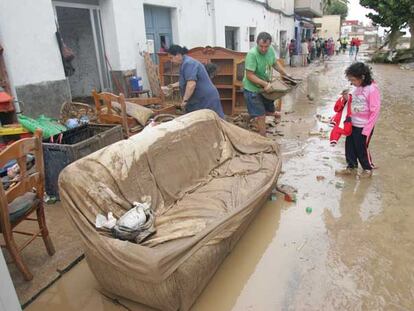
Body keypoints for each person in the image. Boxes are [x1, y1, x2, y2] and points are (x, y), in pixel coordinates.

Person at [336, 62, 381, 178]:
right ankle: (351, 167)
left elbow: (375, 111)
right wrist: (347, 98)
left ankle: (367, 169)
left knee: (361, 148)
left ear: (362, 77)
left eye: (353, 79)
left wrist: (367, 129)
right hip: (353, 124)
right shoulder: (357, 87)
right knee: (349, 146)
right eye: (350, 79)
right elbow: (355, 103)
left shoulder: (372, 89)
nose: (351, 82)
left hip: (364, 126)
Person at [243, 31, 289, 136]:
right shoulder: (252, 54)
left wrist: (284, 73)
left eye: (266, 46)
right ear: (256, 43)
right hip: (252, 89)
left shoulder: (271, 50)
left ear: (270, 45)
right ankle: (263, 137)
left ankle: (248, 117)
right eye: (261, 46)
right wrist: (264, 84)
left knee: (268, 109)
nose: (263, 49)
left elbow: (274, 63)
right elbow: (249, 75)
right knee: (261, 115)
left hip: (265, 87)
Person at [166, 45, 224, 118]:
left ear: (178, 55)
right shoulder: (184, 63)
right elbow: (185, 81)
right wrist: (171, 86)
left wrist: (184, 101)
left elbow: (191, 85)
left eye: (171, 58)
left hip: (205, 98)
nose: (171, 61)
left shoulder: (189, 63)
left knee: (213, 122)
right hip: (201, 98)